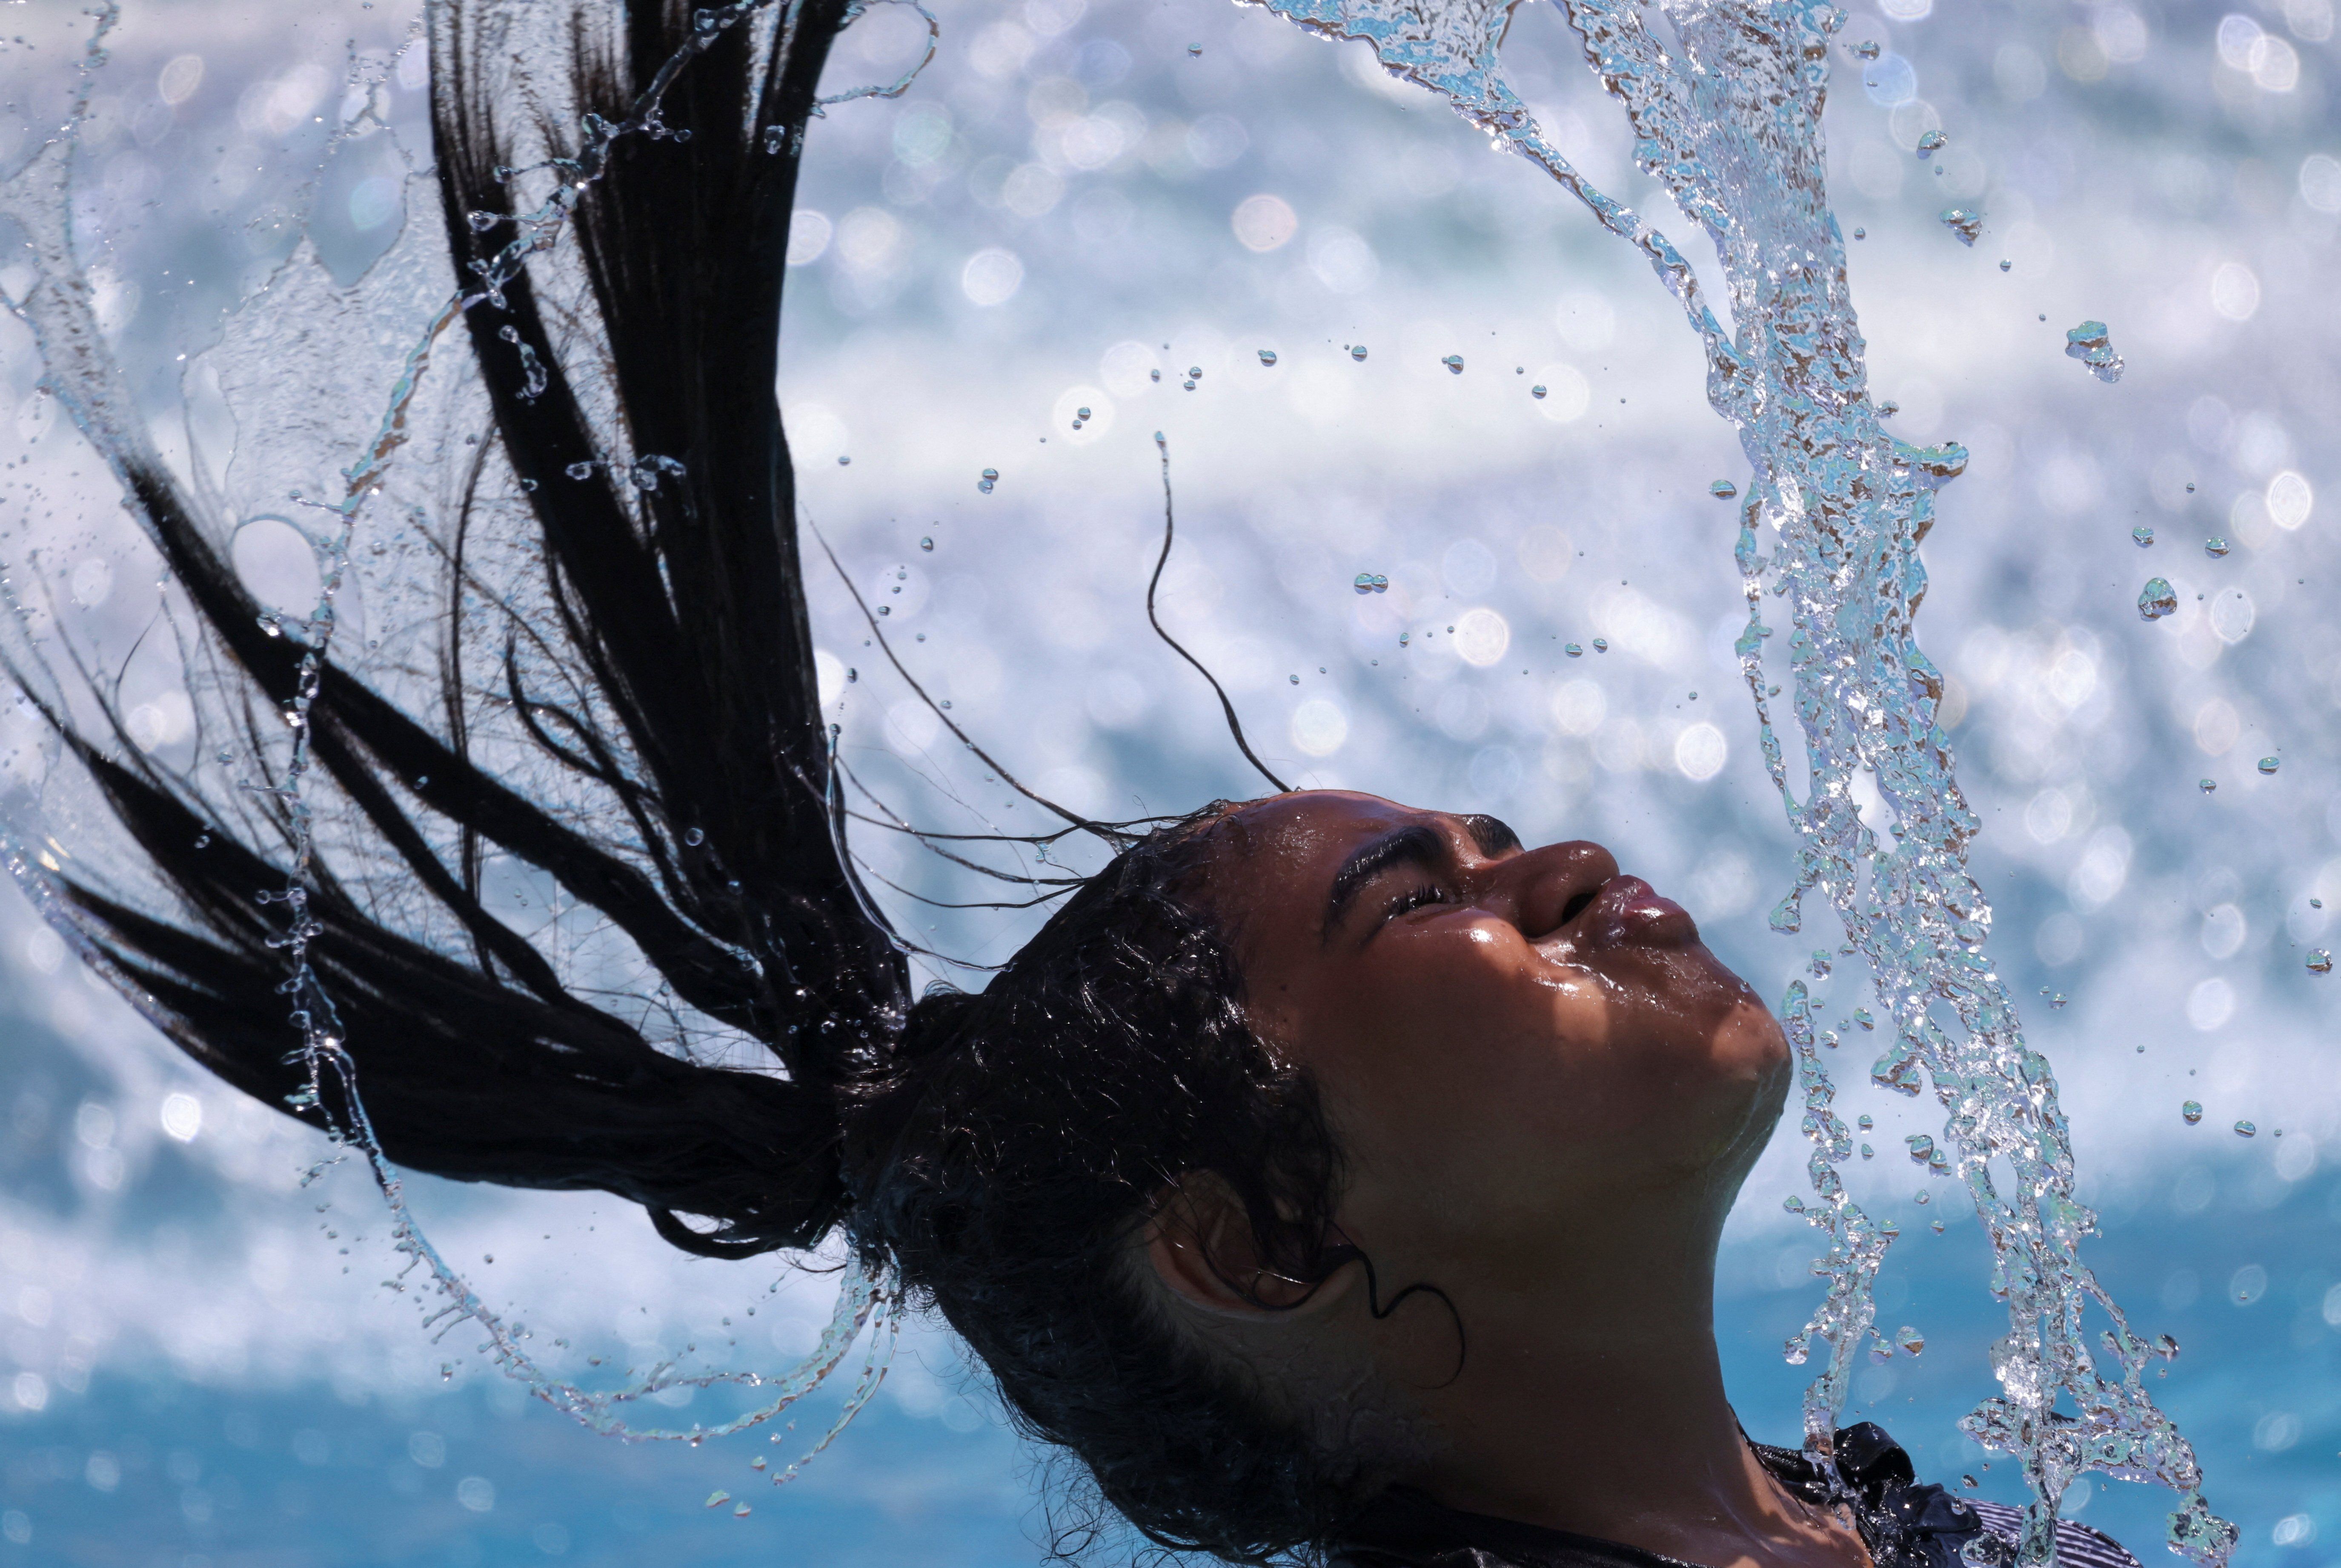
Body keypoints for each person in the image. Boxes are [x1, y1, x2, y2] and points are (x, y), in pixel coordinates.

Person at [6, 4, 2142, 1567]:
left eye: (1487, 848)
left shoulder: (1870, 1510)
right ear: (1249, 1238)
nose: (1570, 869)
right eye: (1420, 902)